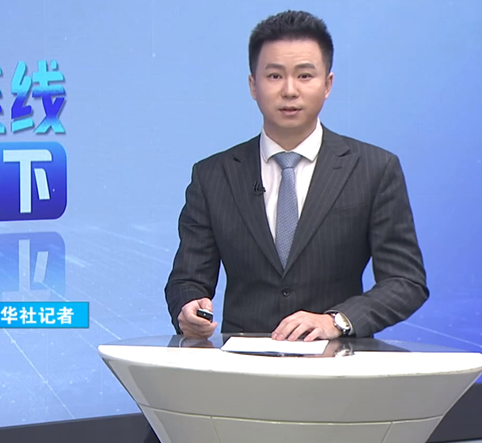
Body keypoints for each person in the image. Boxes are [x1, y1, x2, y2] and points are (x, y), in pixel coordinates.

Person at [164, 10, 428, 342]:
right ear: (253, 85)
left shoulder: (374, 169)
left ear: (328, 84)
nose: (289, 90)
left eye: (304, 75)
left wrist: (337, 320)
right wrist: (188, 308)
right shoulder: (213, 175)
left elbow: (405, 281)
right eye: (274, 76)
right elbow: (187, 279)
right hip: (243, 364)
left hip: (338, 363)